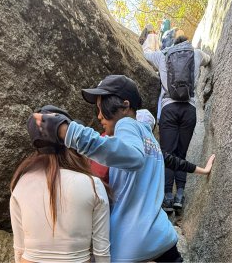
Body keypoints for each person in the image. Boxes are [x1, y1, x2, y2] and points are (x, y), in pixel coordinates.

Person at [33, 75, 185, 262]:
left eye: (102, 108)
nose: (99, 116)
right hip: (162, 236)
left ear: (125, 105)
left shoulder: (126, 124)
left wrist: (68, 132)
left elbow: (133, 157)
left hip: (130, 245)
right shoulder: (149, 136)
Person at [10, 105, 110, 263]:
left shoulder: (20, 184)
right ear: (68, 138)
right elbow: (102, 251)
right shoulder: (92, 184)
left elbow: (19, 248)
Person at [143, 35, 211, 212]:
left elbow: (146, 53)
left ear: (174, 45)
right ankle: (180, 195)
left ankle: (167, 197)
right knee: (181, 153)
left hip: (169, 109)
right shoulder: (195, 53)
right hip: (189, 110)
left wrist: (151, 39)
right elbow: (209, 59)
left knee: (167, 154)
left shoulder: (163, 55)